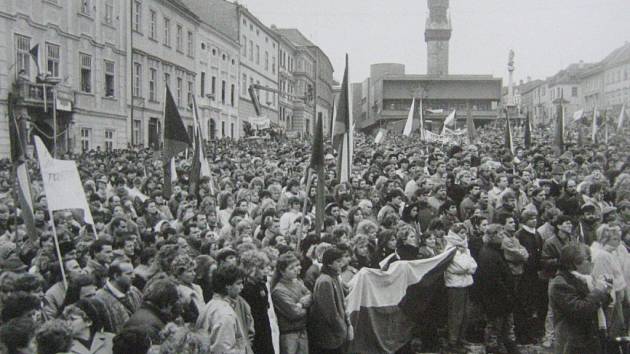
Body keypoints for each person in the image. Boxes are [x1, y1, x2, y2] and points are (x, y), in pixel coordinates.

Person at [549, 243, 611, 354]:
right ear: (575, 263)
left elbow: (597, 305)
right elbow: (579, 310)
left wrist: (606, 290)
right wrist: (598, 291)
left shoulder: (585, 279)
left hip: (589, 338)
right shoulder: (560, 283)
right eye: (589, 259)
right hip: (573, 343)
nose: (592, 263)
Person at [196, 264, 252, 354]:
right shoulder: (225, 314)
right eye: (238, 283)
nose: (242, 287)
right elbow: (223, 350)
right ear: (227, 286)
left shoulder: (210, 305)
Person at [308, 247, 351, 354]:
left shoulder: (334, 277)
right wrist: (342, 329)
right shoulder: (325, 281)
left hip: (335, 334)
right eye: (338, 261)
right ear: (329, 263)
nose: (341, 264)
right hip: (329, 335)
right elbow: (330, 312)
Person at [443, 223, 478, 354]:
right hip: (455, 286)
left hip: (465, 283)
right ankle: (453, 341)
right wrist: (467, 266)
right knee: (455, 315)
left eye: (465, 233)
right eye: (462, 233)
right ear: (455, 234)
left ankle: (461, 339)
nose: (464, 236)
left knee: (465, 313)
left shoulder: (465, 248)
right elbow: (461, 267)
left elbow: (473, 266)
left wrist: (467, 266)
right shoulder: (450, 249)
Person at [123, 279, 179, 343]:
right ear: (166, 303)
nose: (171, 309)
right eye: (172, 304)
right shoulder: (154, 326)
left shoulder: (143, 311)